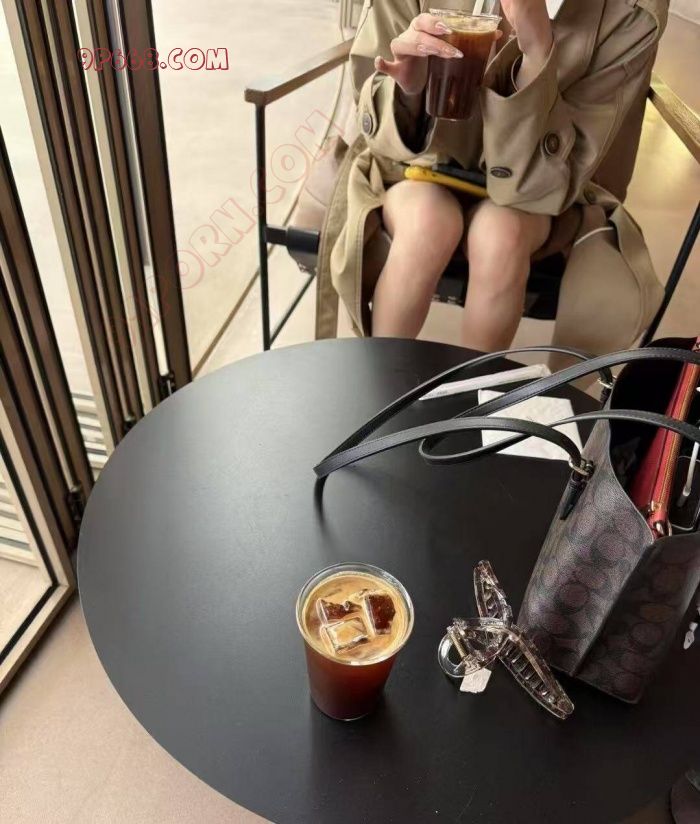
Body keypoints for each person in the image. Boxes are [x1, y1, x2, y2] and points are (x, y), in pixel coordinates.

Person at [316, 0, 668, 356]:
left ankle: (476, 389)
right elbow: (373, 106)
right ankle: (379, 381)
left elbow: (565, 173)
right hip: (416, 168)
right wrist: (409, 92)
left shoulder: (631, 12)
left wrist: (537, 55)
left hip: (542, 194)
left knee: (501, 236)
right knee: (426, 223)